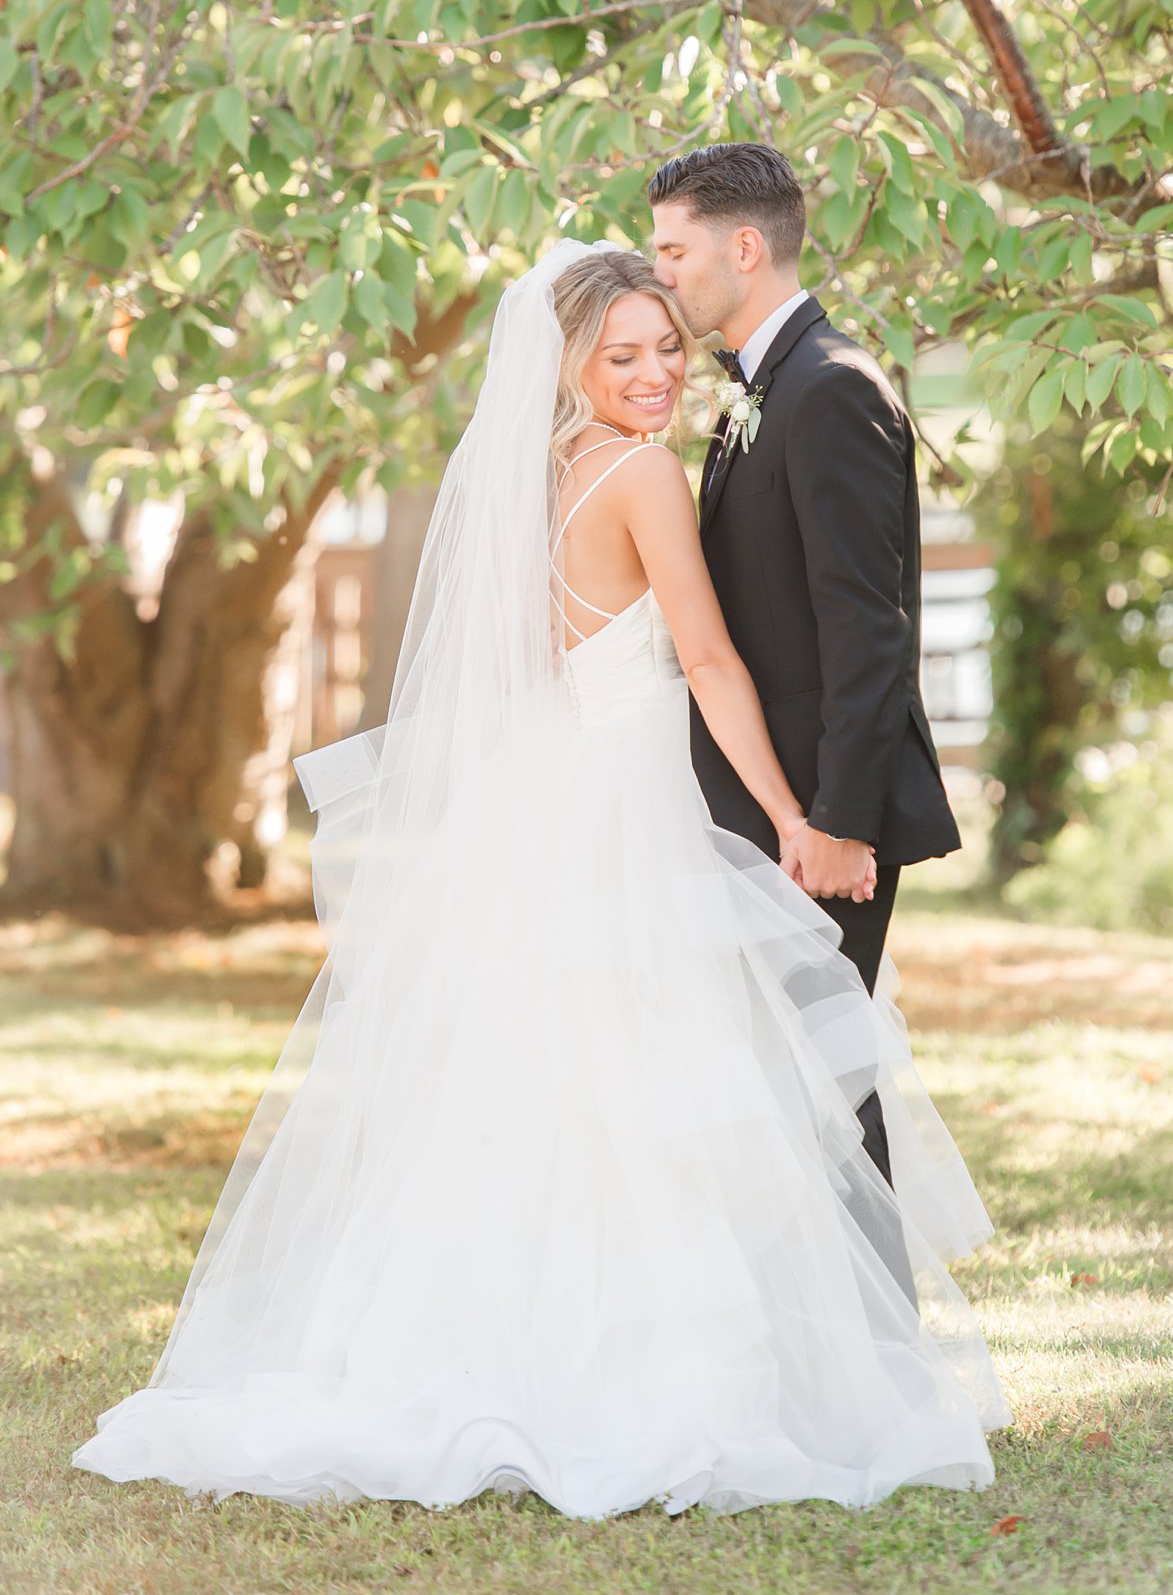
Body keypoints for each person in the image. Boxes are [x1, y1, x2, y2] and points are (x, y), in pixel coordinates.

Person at [72, 240, 1008, 1519]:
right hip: (629, 801)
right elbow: (713, 666)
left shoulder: (535, 476)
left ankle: (496, 1352)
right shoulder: (638, 475)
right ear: (568, 365)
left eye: (663, 346)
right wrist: (793, 816)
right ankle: (659, 1381)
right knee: (655, 1086)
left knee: (533, 1086)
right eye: (619, 355)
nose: (652, 372)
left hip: (556, 787)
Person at [650, 145, 961, 1196]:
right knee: (782, 1087)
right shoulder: (764, 390)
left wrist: (837, 820)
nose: (662, 275)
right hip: (764, 797)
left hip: (819, 812)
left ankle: (873, 1352)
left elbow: (866, 630)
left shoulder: (828, 390)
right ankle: (821, 1352)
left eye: (673, 250)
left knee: (822, 1089)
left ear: (745, 246)